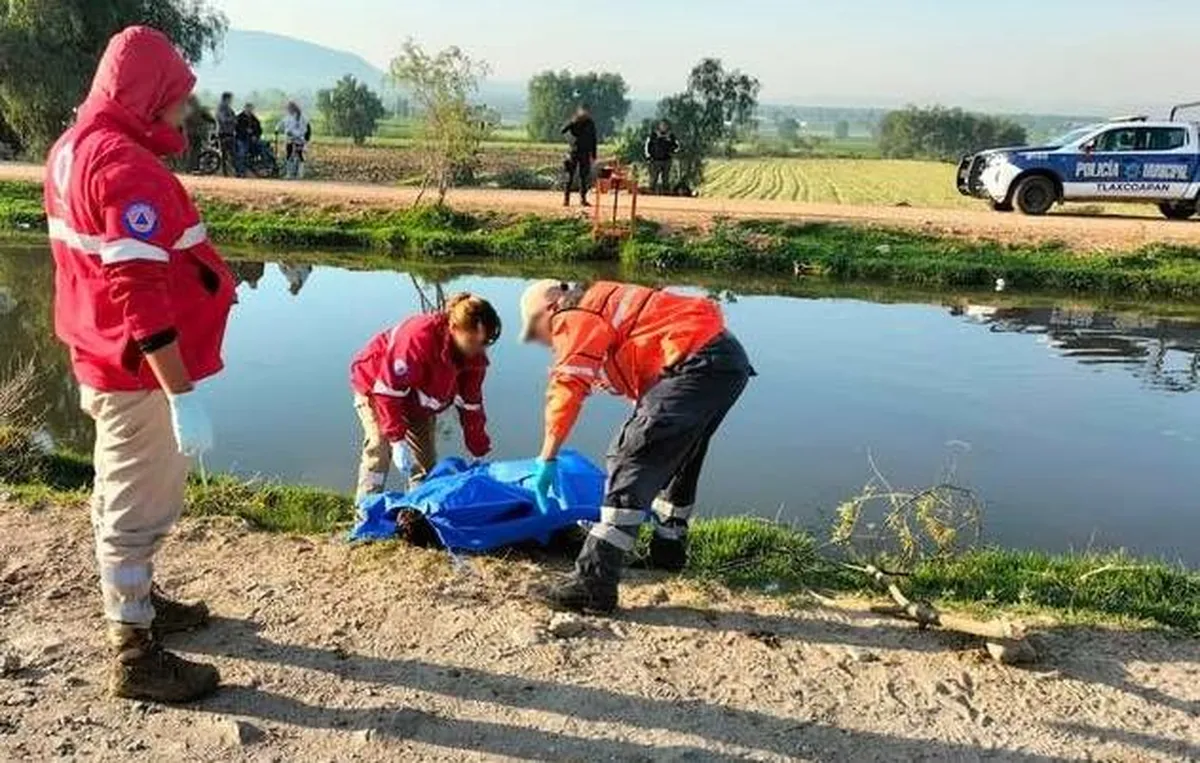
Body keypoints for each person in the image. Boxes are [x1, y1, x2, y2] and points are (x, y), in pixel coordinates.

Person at [43, 26, 237, 702]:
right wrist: (181, 392)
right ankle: (135, 651)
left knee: (116, 484)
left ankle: (144, 599)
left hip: (100, 353)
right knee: (131, 503)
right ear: (146, 95)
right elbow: (138, 289)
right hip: (138, 370)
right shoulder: (125, 167)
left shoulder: (73, 150)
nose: (183, 111)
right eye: (177, 97)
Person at [520, 280, 754, 614]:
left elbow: (567, 387)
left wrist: (547, 456)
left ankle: (593, 583)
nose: (543, 342)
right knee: (677, 454)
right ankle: (667, 554)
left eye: (535, 332)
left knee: (631, 453)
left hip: (696, 362)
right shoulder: (601, 302)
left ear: (548, 310)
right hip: (722, 361)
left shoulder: (573, 314)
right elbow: (646, 360)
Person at [350, 294, 501, 501]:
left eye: (484, 342)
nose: (478, 348)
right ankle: (365, 509)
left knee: (427, 464)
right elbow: (388, 391)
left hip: (419, 401)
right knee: (380, 446)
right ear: (454, 328)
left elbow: (471, 405)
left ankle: (417, 509)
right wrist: (397, 440)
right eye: (472, 340)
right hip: (378, 387)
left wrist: (478, 448)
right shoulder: (418, 337)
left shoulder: (474, 359)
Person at [561, 104, 598, 207]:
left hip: (585, 153)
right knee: (570, 176)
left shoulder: (590, 123)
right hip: (574, 151)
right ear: (579, 111)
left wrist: (594, 154)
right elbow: (563, 130)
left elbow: (594, 139)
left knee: (583, 177)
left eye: (587, 111)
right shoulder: (574, 121)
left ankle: (583, 199)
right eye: (584, 111)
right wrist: (570, 141)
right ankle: (566, 199)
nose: (586, 113)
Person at [234, 102, 273, 177]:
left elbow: (259, 130)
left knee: (264, 147)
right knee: (241, 153)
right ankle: (240, 172)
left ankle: (266, 167)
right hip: (242, 139)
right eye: (248, 108)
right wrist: (246, 131)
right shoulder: (239, 118)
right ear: (245, 109)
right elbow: (237, 129)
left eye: (251, 109)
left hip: (253, 140)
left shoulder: (254, 119)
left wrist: (255, 135)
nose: (249, 110)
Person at [644, 120, 680, 195]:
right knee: (653, 178)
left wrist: (673, 152)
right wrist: (648, 156)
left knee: (666, 178)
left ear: (667, 127)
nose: (663, 127)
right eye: (662, 125)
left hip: (666, 160)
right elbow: (647, 146)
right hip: (655, 160)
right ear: (659, 126)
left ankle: (666, 194)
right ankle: (651, 193)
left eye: (665, 125)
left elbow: (677, 146)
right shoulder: (653, 135)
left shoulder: (671, 136)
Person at [276, 101, 310, 179]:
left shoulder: (301, 117)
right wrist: (277, 129)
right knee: (289, 155)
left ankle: (300, 174)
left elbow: (304, 129)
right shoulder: (287, 117)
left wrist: (295, 134)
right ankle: (289, 174)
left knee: (299, 155)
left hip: (299, 139)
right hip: (289, 139)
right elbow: (281, 123)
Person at [215, 91, 236, 175]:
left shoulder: (227, 108)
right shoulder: (221, 108)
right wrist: (233, 120)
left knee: (229, 153)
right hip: (223, 132)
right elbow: (222, 119)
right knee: (224, 153)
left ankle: (227, 171)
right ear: (226, 99)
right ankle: (225, 172)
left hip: (229, 132)